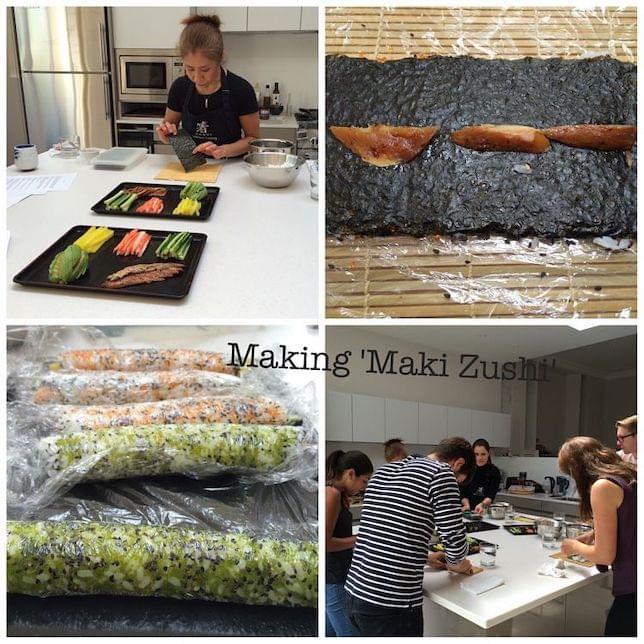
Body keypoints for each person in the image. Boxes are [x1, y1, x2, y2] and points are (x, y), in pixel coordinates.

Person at [345, 437, 475, 636]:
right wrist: (456, 562)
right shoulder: (441, 473)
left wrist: (425, 558)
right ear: (458, 464)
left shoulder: (383, 471)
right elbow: (456, 544)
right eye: (459, 480)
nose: (456, 484)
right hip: (390, 604)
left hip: (356, 592)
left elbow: (387, 534)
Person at [558, 436, 636, 637]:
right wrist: (594, 533)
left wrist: (572, 546)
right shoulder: (627, 474)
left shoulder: (602, 486)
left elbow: (604, 556)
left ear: (577, 469)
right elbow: (630, 518)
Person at [156, 15, 260, 159]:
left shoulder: (241, 89)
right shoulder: (179, 87)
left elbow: (254, 139)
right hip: (190, 163)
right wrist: (165, 135)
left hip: (228, 165)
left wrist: (224, 151)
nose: (197, 78)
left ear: (220, 58)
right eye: (190, 68)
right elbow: (170, 134)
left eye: (205, 70)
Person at [326, 450, 374, 637]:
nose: (365, 486)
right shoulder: (331, 494)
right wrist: (359, 539)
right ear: (350, 473)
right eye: (364, 480)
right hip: (334, 579)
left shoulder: (336, 493)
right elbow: (325, 543)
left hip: (336, 576)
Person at [461, 438, 502, 515]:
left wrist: (481, 505)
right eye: (476, 454)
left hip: (483, 511)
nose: (480, 458)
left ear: (488, 453)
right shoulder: (467, 470)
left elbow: (491, 495)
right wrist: (466, 505)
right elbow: (462, 492)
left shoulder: (494, 472)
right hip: (466, 510)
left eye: (483, 454)